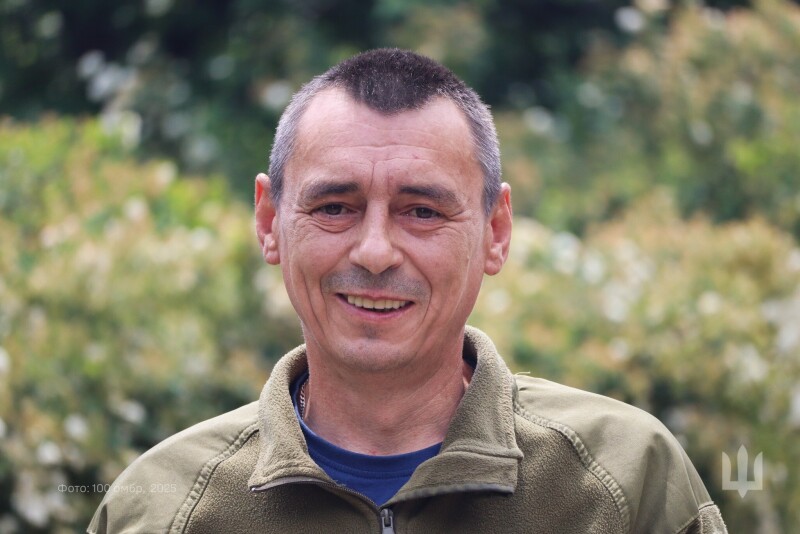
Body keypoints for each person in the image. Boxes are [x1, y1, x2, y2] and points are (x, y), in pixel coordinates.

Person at [88, 48, 727, 533]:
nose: (374, 252)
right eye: (335, 207)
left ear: (496, 231)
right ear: (269, 221)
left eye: (422, 211)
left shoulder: (623, 482)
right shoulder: (162, 507)